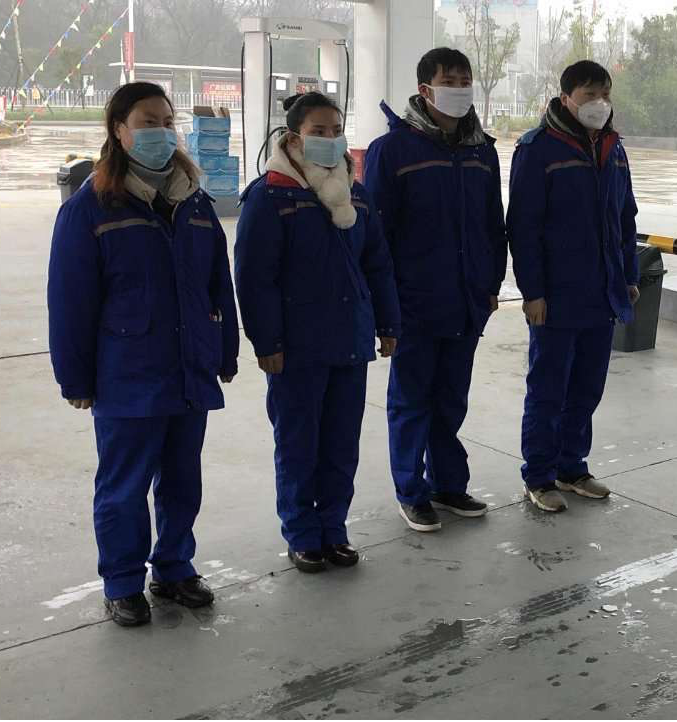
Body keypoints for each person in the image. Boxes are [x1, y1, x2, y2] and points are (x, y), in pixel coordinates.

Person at [48, 81, 240, 628]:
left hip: (189, 367)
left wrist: (224, 349)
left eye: (166, 121)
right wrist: (75, 378)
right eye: (147, 122)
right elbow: (70, 301)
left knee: (182, 479)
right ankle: (123, 582)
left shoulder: (193, 201)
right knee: (124, 485)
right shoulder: (90, 208)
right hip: (127, 373)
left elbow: (217, 284)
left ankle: (175, 568)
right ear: (119, 130)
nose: (161, 131)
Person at [234, 92, 400, 573]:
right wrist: (267, 342)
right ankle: (302, 534)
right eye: (318, 132)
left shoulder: (356, 194)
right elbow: (254, 278)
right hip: (297, 348)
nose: (330, 139)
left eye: (336, 131)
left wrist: (387, 322)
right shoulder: (271, 196)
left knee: (341, 444)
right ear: (294, 138)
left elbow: (377, 264)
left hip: (350, 340)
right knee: (298, 444)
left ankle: (333, 529)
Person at [363, 48, 507, 532]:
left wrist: (492, 283)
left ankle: (448, 484)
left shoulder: (481, 151)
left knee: (451, 398)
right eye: (450, 81)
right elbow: (376, 235)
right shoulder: (392, 151)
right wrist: (385, 303)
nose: (460, 89)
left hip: (467, 298)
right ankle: (412, 490)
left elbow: (493, 224)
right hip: (415, 300)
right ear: (426, 89)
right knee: (411, 399)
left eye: (466, 80)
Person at [507, 60, 640, 513]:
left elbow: (625, 218)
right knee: (548, 390)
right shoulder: (538, 149)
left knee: (586, 387)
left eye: (605, 94)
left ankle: (572, 466)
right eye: (589, 95)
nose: (599, 103)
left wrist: (628, 275)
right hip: (557, 294)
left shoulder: (613, 148)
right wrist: (533, 293)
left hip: (602, 292)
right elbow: (523, 227)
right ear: (565, 98)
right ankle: (539, 475)